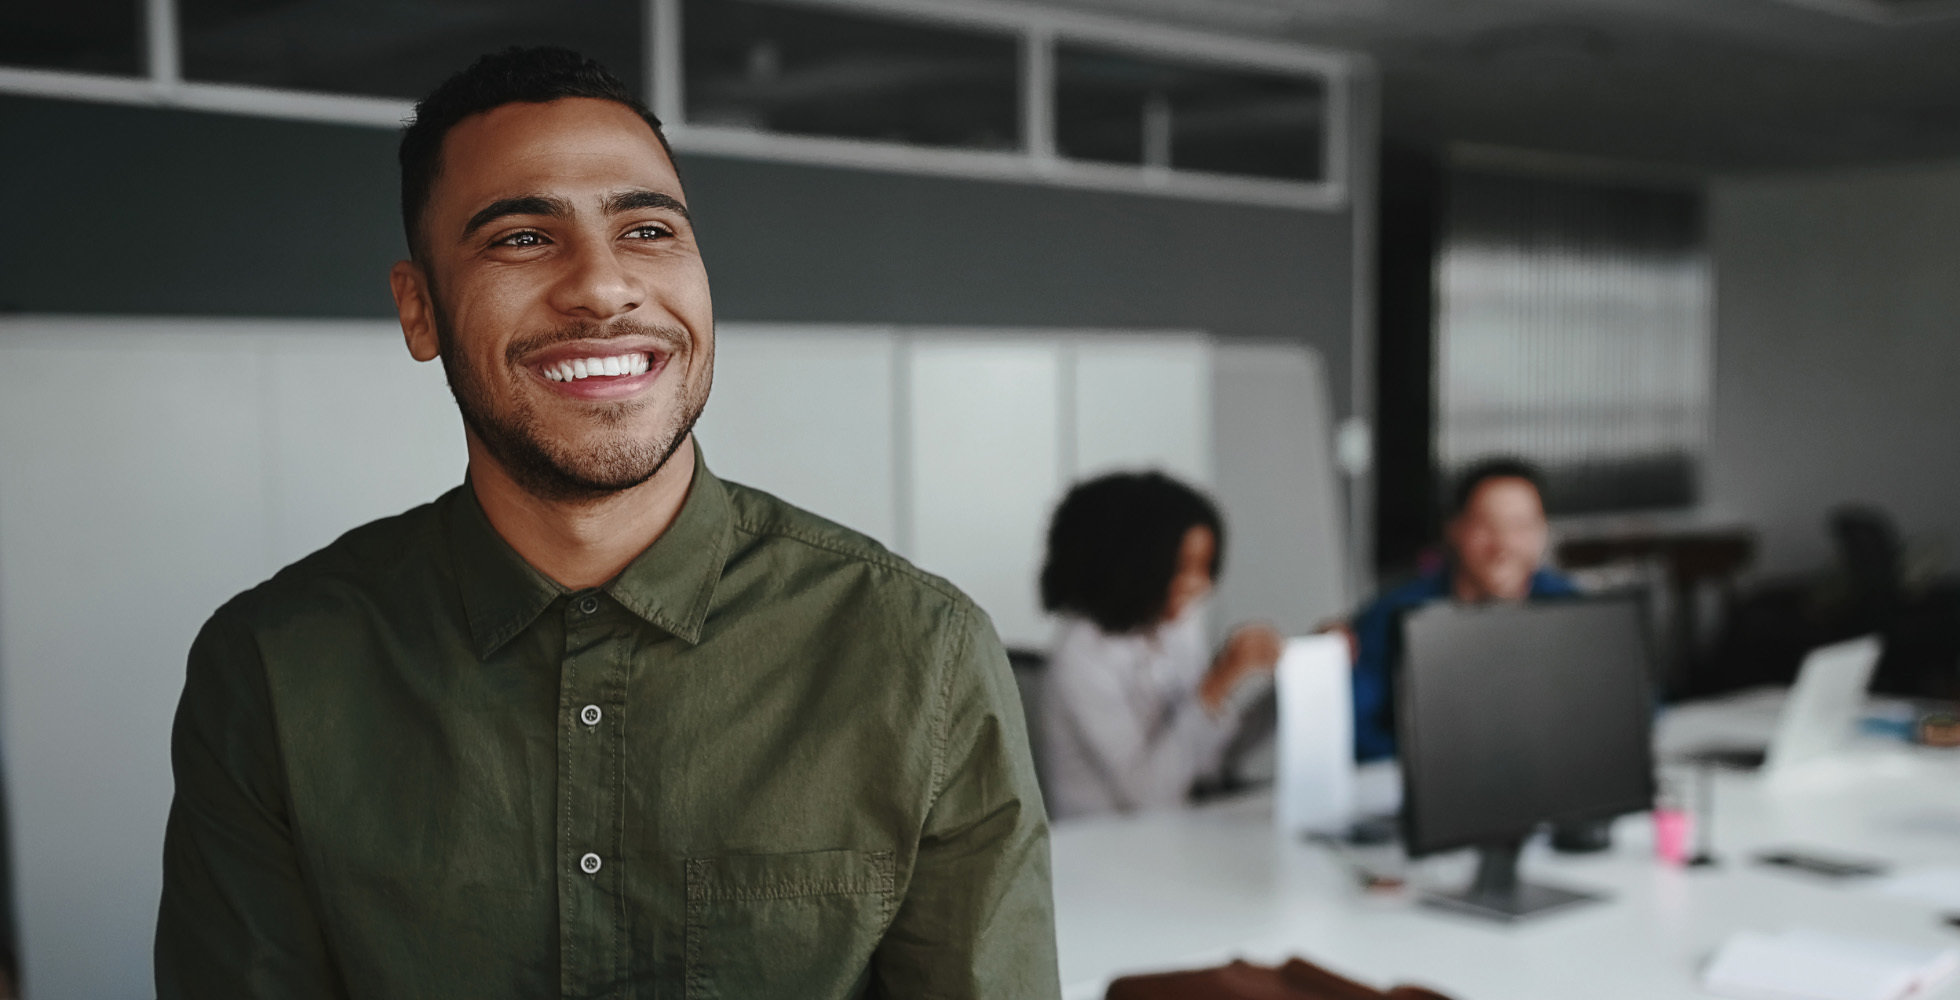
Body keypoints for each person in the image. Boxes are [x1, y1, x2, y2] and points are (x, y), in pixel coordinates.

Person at [155, 47, 1056, 998]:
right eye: (521, 238)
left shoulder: (921, 653)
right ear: (420, 312)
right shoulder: (273, 668)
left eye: (649, 229)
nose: (602, 285)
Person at [1036, 472, 1283, 820]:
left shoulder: (1174, 628)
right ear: (1135, 565)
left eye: (1205, 568)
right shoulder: (1080, 657)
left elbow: (1211, 759)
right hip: (1104, 852)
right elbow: (1151, 796)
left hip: (1175, 835)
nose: (1200, 586)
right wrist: (1217, 683)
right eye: (1183, 568)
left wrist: (1292, 688)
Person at [1344, 458, 1578, 762]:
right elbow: (1357, 728)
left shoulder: (1569, 605)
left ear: (1543, 533)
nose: (1503, 545)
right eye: (1486, 525)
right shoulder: (1395, 612)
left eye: (1521, 526)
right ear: (1455, 529)